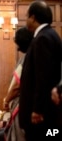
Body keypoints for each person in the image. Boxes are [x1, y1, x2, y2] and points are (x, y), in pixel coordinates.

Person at [18, 1, 62, 141]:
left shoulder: (43, 38)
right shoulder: (49, 35)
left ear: (33, 17)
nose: (26, 20)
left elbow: (43, 77)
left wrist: (37, 109)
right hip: (43, 114)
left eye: (27, 16)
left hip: (40, 117)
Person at [0, 27, 33, 141]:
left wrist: (7, 100)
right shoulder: (34, 55)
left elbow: (17, 86)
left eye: (18, 44)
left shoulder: (28, 58)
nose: (17, 49)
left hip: (25, 108)